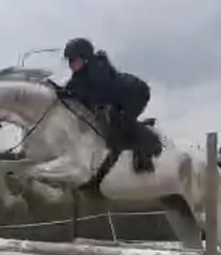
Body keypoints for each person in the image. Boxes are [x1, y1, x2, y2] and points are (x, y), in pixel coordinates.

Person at [62, 37, 155, 170]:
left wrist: (72, 94)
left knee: (124, 122)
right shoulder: (80, 75)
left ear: (85, 58)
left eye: (74, 60)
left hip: (136, 94)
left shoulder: (98, 69)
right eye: (69, 61)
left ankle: (144, 156)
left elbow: (93, 95)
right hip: (118, 99)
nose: (71, 64)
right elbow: (71, 89)